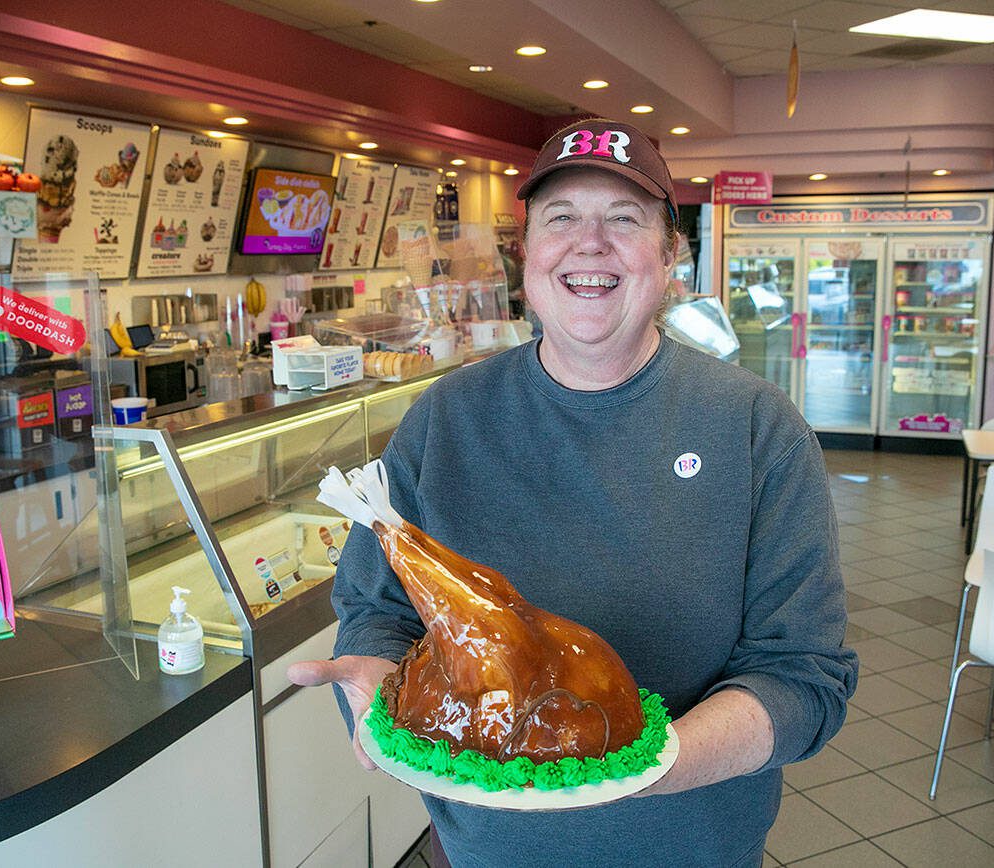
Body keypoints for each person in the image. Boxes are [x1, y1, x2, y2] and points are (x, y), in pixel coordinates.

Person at [289, 118, 858, 867]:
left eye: (623, 219)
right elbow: (376, 608)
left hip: (694, 848)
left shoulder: (756, 428)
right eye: (562, 218)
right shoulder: (444, 420)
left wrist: (637, 770)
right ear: (528, 254)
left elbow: (803, 678)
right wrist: (373, 674)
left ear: (669, 255)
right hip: (489, 851)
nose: (590, 243)